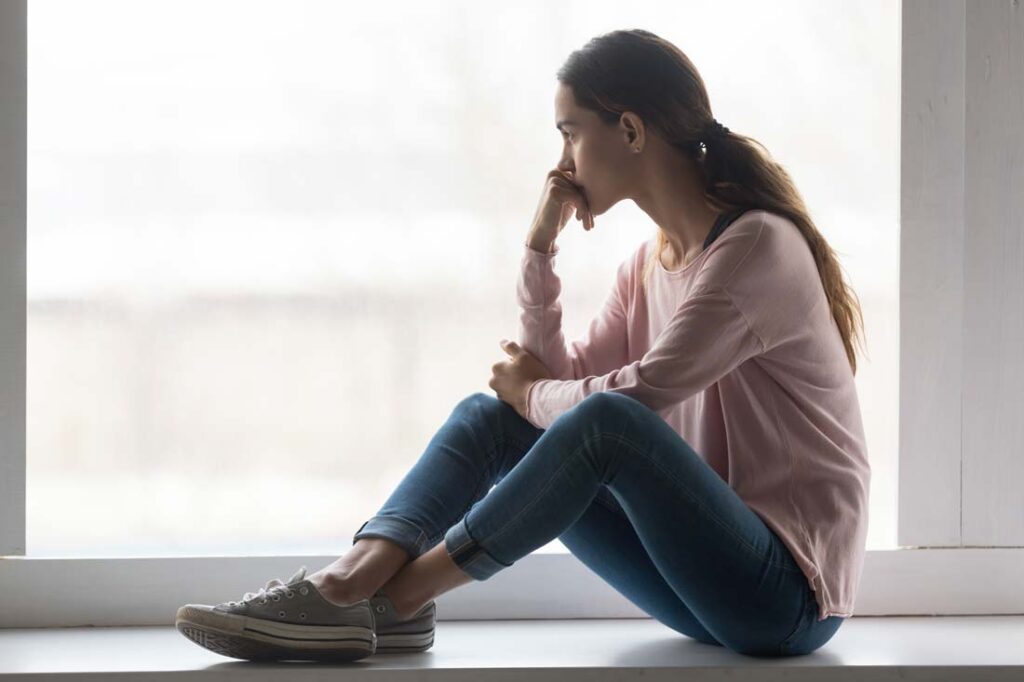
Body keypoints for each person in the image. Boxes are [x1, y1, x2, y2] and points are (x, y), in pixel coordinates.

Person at [179, 28, 870, 661]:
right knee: (494, 418)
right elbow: (555, 384)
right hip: (704, 584)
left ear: (630, 130)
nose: (563, 161)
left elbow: (635, 397)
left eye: (571, 134)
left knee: (601, 420)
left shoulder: (755, 247)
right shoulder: (648, 264)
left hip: (786, 597)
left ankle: (386, 602)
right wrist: (540, 248)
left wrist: (534, 392)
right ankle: (353, 580)